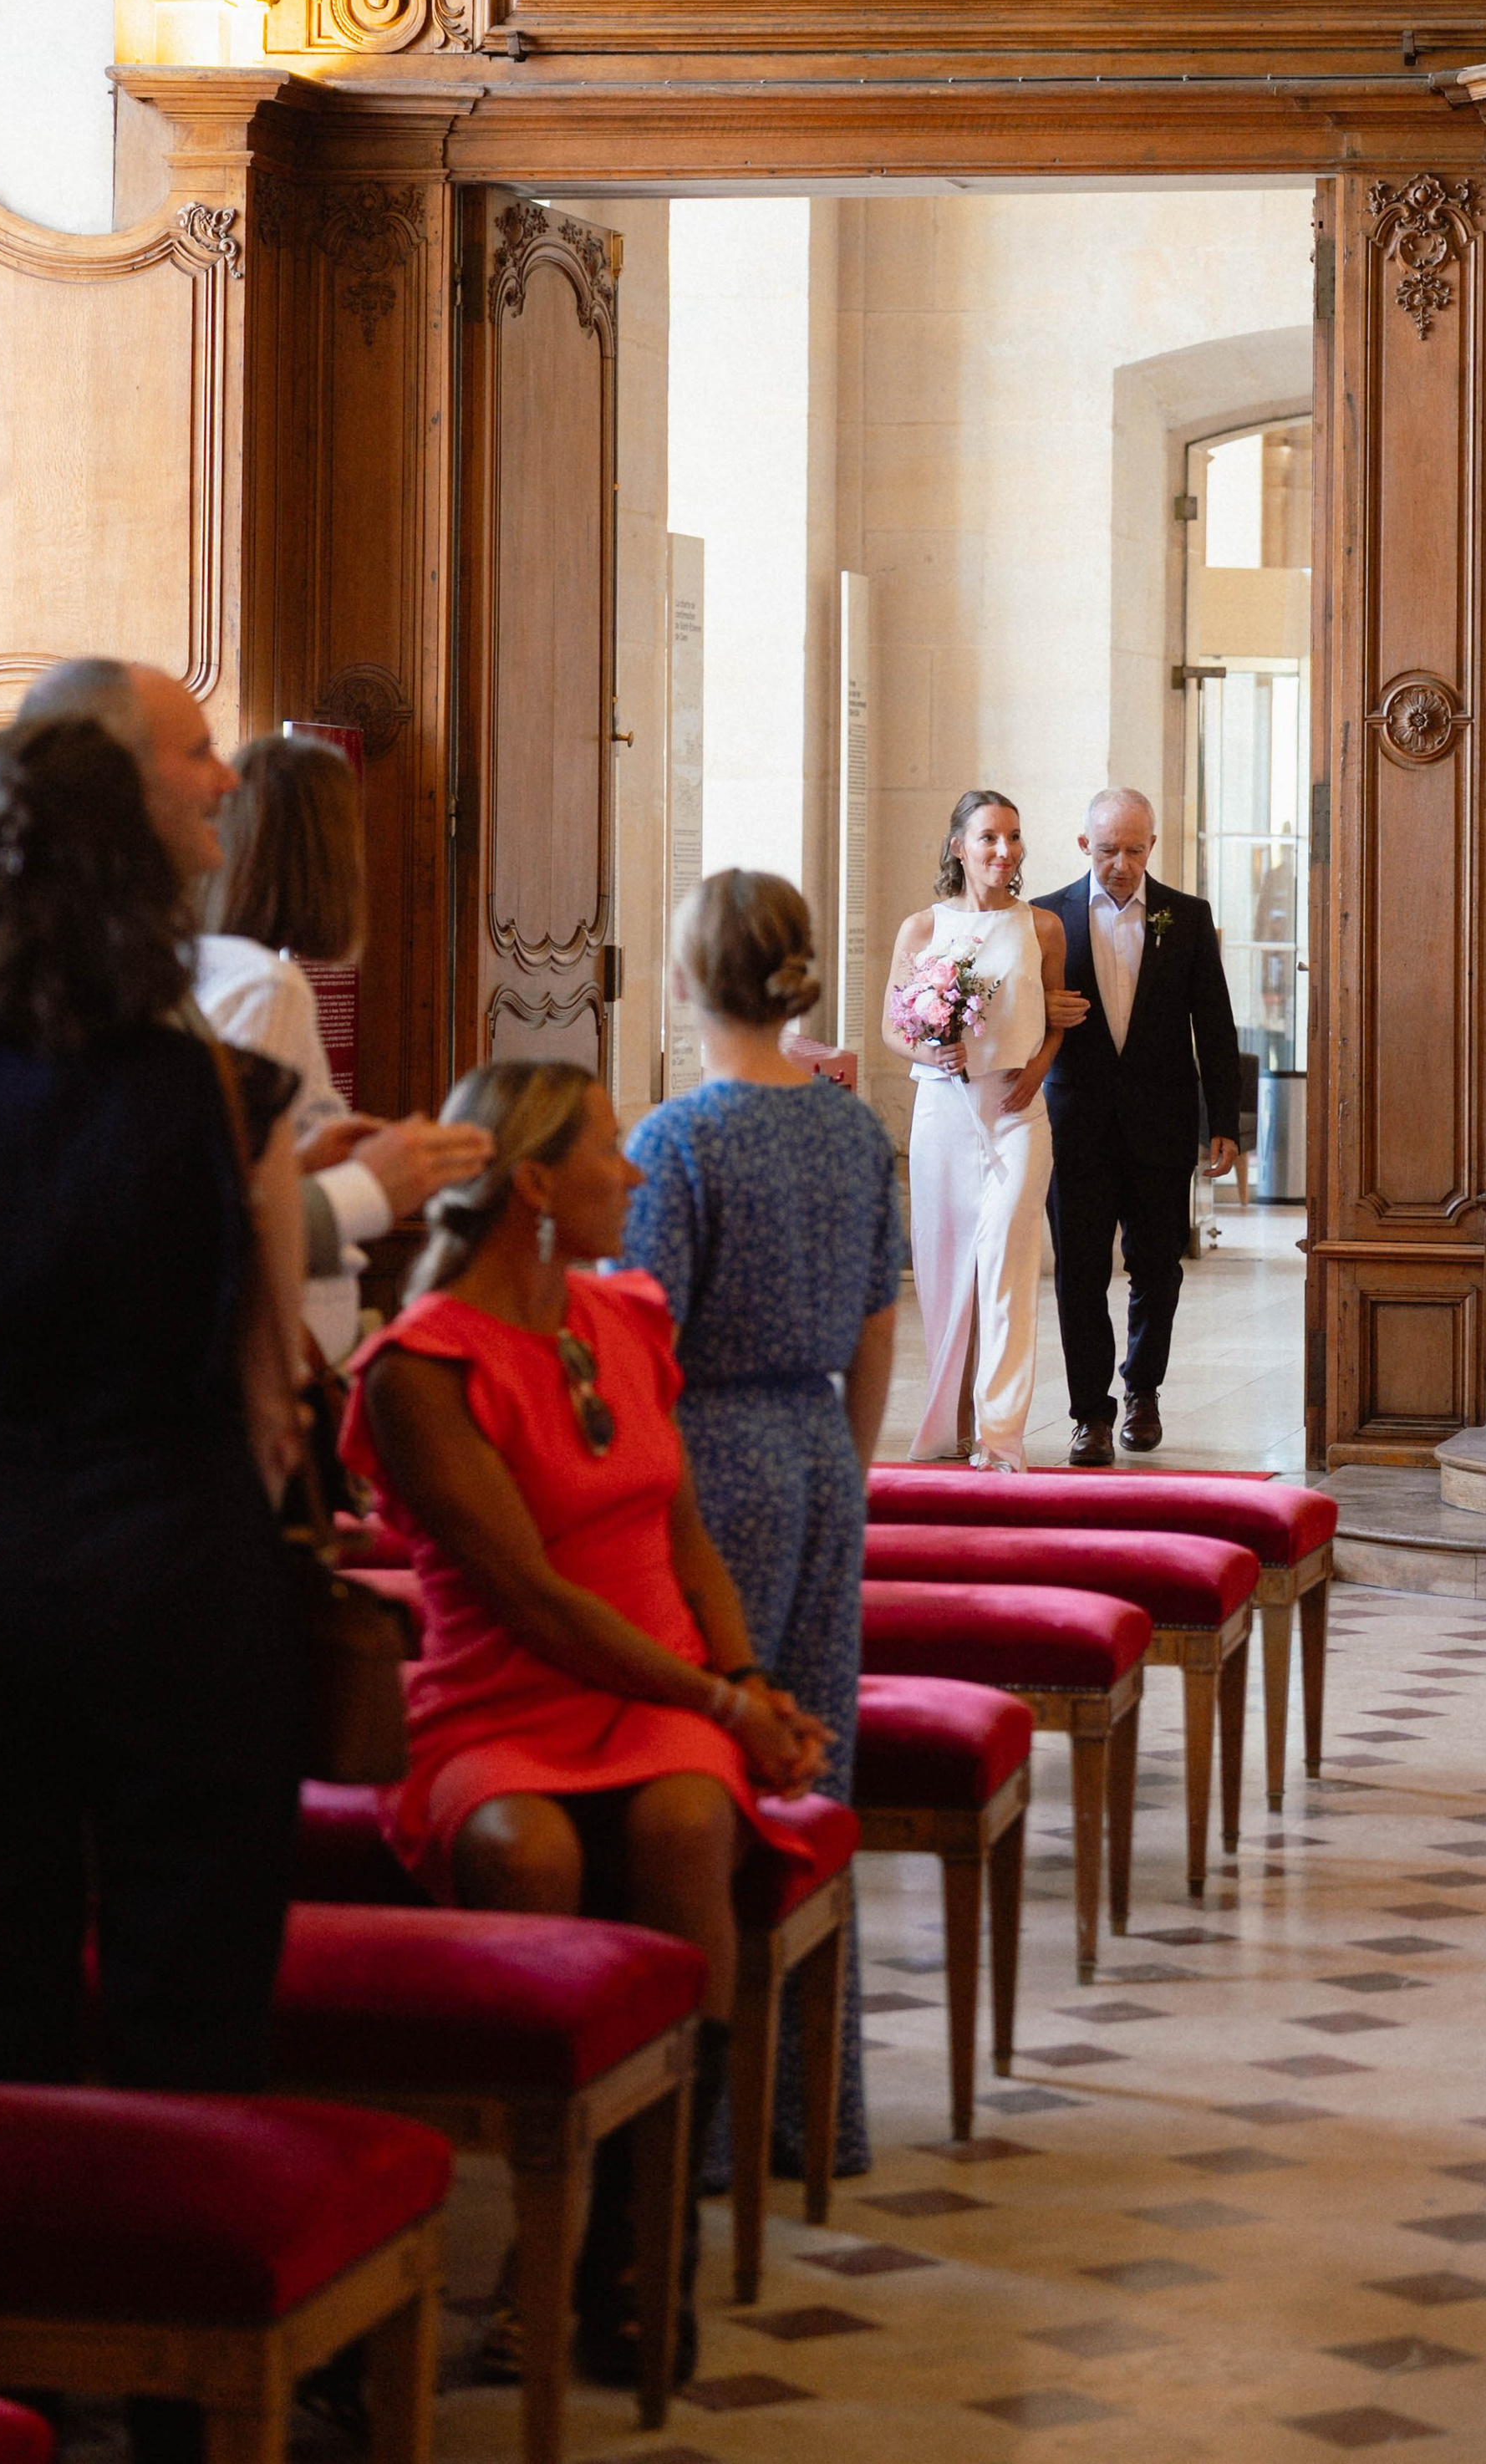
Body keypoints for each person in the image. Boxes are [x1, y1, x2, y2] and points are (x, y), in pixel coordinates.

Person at [343, 1059, 828, 2383]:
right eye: (611, 1149)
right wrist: (722, 1699)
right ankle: (525, 2260)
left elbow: (686, 1539)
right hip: (503, 1698)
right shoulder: (419, 1365)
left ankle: (636, 2260)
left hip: (661, 1684)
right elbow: (535, 1604)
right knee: (527, 1852)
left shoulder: (628, 1314)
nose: (636, 1171)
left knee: (685, 1819)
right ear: (539, 1185)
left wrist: (749, 1685)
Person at [0, 717, 303, 2100]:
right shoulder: (222, 1091)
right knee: (193, 1992)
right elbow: (274, 1387)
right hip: (178, 1571)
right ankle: (193, 2282)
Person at [620, 869, 903, 2187]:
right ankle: (811, 2113)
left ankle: (711, 2128)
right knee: (811, 1771)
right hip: (818, 1448)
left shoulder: (680, 1139)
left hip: (709, 1457)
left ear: (685, 981)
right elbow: (877, 1322)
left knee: (712, 1764)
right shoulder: (855, 1131)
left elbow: (640, 1339)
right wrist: (844, 1468)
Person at [16, 659, 475, 1307]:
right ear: (113, 780)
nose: (229, 780)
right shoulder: (57, 987)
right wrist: (369, 1190)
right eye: (201, 752)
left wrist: (292, 1162)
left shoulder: (145, 969)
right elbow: (149, 1248)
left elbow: (173, 1189)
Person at [196, 731, 493, 1362]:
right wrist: (375, 1180)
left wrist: (304, 1156)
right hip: (278, 1337)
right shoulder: (265, 986)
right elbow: (221, 1201)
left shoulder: (218, 969)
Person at [1037, 789, 1240, 1465]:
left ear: (1152, 844)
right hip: (1075, 1124)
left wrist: (1225, 1123)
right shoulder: (1044, 918)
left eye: (1133, 849)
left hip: (1161, 1122)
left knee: (1157, 1267)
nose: (1120, 864)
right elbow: (1013, 1017)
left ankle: (1143, 1393)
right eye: (1106, 850)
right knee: (1079, 1272)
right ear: (1082, 845)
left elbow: (1213, 1027)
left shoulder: (1185, 917)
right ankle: (1089, 1414)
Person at [884, 789, 1078, 1469]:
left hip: (1017, 1114)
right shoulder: (921, 928)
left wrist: (1038, 1071)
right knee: (943, 1271)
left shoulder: (1043, 927)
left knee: (1004, 1261)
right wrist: (930, 1051)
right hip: (943, 1114)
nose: (1006, 851)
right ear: (959, 846)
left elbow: (1056, 1020)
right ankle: (948, 1423)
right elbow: (892, 1027)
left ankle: (1001, 1435)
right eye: (990, 837)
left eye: (1015, 837)